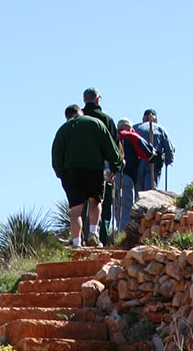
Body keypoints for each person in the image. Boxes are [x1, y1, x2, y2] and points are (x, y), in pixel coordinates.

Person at [51, 102, 122, 248]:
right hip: (94, 169)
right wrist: (115, 166)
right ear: (81, 112)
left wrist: (61, 174)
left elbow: (56, 155)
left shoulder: (63, 129)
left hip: (72, 172)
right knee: (96, 201)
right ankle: (93, 233)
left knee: (76, 209)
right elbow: (110, 147)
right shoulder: (96, 123)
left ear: (67, 117)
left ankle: (77, 243)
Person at [82, 88, 120, 244]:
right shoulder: (106, 119)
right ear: (98, 100)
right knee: (101, 203)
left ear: (84, 100)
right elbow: (115, 146)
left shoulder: (78, 118)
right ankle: (100, 238)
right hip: (102, 167)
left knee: (80, 204)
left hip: (78, 167)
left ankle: (81, 239)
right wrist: (114, 168)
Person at [114, 119, 154, 232]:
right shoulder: (132, 136)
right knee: (127, 207)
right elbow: (150, 154)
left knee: (117, 207)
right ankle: (124, 234)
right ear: (130, 128)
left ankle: (118, 232)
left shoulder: (112, 137)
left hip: (112, 177)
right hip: (127, 176)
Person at [134, 109, 175, 190]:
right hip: (153, 162)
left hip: (137, 162)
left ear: (143, 119)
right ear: (155, 119)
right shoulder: (160, 130)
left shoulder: (134, 128)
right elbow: (169, 150)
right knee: (150, 190)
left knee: (138, 191)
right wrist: (168, 160)